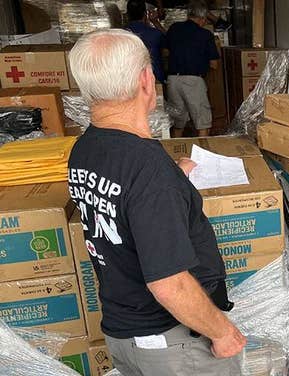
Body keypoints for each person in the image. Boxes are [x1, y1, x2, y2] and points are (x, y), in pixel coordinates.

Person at [67, 29, 246, 376]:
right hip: (176, 346)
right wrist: (222, 332)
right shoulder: (149, 170)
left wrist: (174, 181)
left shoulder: (85, 148)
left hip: (124, 333)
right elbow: (169, 283)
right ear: (146, 81)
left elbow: (121, 201)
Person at [165, 0, 220, 137]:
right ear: (202, 18)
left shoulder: (174, 28)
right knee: (203, 122)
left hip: (172, 81)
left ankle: (175, 152)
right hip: (193, 81)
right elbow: (214, 64)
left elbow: (165, 53)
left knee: (178, 121)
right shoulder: (205, 34)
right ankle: (203, 155)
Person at [126, 0, 167, 83]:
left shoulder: (120, 34)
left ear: (127, 15)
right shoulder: (156, 34)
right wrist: (155, 22)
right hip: (154, 79)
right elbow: (171, 43)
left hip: (130, 81)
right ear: (145, 14)